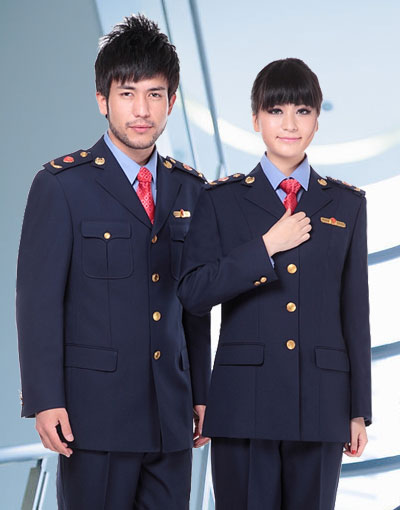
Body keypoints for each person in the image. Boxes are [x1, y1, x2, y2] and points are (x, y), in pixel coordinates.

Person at [16, 14, 210, 510]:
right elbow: (38, 301)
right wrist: (44, 398)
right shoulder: (62, 186)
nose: (142, 110)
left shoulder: (191, 189)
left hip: (171, 418)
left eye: (155, 94)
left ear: (172, 101)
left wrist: (203, 392)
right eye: (127, 93)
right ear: (103, 99)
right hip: (93, 417)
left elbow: (195, 303)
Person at [178, 58, 371, 510]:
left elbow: (355, 313)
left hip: (322, 407)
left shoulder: (346, 205)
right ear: (255, 119)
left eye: (302, 111)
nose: (290, 124)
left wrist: (357, 410)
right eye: (276, 111)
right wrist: (265, 248)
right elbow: (193, 293)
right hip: (244, 406)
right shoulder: (220, 200)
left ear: (317, 120)